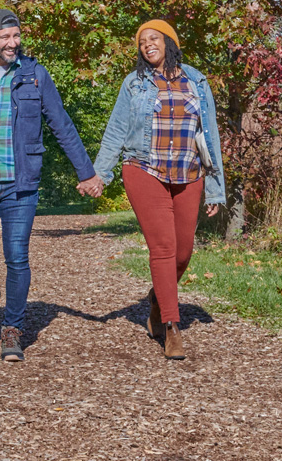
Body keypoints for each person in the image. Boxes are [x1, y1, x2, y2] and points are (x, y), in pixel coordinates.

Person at [0, 8, 101, 362]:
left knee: (17, 257)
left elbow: (62, 124)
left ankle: (12, 330)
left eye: (16, 36)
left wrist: (85, 172)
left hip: (19, 184)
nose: (13, 43)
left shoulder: (34, 75)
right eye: (5, 37)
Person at [87, 19, 226, 361]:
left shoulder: (196, 80)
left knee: (182, 253)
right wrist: (100, 174)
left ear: (169, 42)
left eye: (154, 38)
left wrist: (215, 187)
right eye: (142, 41)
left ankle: (156, 299)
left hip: (189, 174)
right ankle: (171, 326)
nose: (147, 44)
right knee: (163, 247)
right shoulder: (134, 84)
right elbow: (116, 130)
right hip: (143, 169)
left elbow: (210, 135)